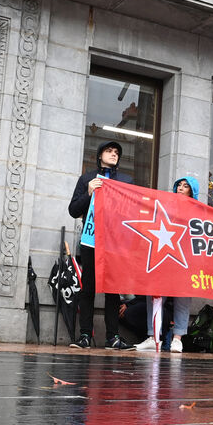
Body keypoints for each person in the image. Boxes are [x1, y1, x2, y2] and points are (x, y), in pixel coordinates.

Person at [68, 140, 133, 350]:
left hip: (115, 243)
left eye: (117, 152)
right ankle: (85, 335)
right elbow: (73, 210)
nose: (114, 154)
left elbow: (132, 210)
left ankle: (112, 337)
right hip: (91, 240)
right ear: (99, 155)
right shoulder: (87, 178)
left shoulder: (126, 180)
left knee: (113, 290)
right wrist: (88, 192)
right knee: (88, 288)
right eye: (109, 151)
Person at [133, 176, 200, 353]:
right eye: (179, 185)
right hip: (162, 257)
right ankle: (153, 336)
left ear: (192, 191)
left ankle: (177, 339)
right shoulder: (165, 206)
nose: (181, 188)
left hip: (184, 260)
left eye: (186, 186)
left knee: (182, 298)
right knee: (154, 295)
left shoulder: (198, 211)